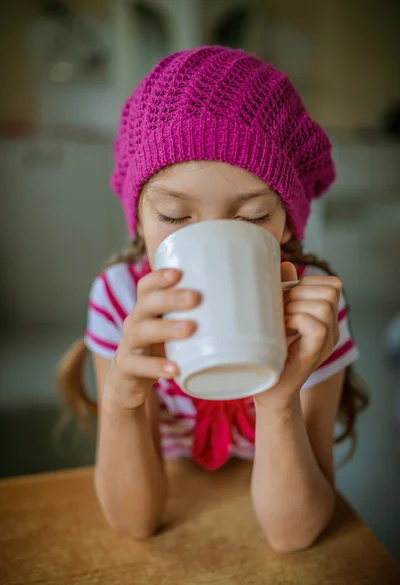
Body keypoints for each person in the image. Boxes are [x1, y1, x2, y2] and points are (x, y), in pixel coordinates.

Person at [58, 46, 368, 551]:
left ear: (287, 220)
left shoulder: (310, 306)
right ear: (137, 216)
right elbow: (135, 523)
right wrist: (121, 397)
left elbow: (295, 534)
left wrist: (278, 399)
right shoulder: (120, 298)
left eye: (250, 219)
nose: (212, 239)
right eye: (175, 217)